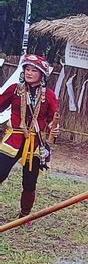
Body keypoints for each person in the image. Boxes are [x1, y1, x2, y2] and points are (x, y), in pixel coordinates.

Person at [0, 54, 58, 217]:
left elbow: (54, 118)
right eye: (27, 69)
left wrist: (55, 128)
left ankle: (25, 215)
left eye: (34, 70)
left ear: (42, 75)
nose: (29, 73)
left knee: (29, 182)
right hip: (13, 140)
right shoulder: (14, 90)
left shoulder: (49, 95)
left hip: (35, 143)